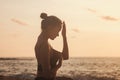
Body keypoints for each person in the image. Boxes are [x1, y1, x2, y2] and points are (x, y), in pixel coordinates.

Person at [34, 13, 69, 80]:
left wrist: (64, 36)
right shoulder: (44, 45)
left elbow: (65, 56)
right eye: (57, 31)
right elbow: (47, 76)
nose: (58, 34)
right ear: (50, 28)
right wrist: (58, 66)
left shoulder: (44, 42)